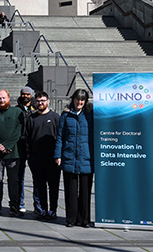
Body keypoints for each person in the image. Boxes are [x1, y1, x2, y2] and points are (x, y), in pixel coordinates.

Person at [54, 89, 94, 228]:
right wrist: (58, 155)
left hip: (86, 157)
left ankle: (84, 220)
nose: (80, 102)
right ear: (73, 99)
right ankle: (71, 219)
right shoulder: (66, 114)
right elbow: (60, 136)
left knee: (85, 191)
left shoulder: (90, 114)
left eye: (82, 100)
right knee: (70, 190)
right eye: (77, 99)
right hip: (69, 156)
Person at [0, 89, 24, 217]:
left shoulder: (17, 112)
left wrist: (8, 145)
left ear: (9, 98)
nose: (1, 100)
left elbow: (19, 130)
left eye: (3, 98)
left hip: (12, 154)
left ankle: (14, 205)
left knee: (13, 181)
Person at [25, 91, 60, 220]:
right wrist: (29, 156)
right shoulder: (31, 118)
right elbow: (27, 138)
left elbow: (60, 137)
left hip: (52, 158)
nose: (41, 103)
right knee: (40, 186)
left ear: (48, 101)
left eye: (43, 100)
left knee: (53, 186)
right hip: (36, 158)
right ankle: (43, 209)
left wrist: (58, 155)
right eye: (38, 101)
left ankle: (53, 210)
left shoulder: (56, 117)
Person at [16, 86, 35, 213]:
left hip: (33, 145)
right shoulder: (16, 110)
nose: (25, 96)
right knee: (19, 177)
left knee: (37, 177)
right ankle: (20, 203)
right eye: (23, 94)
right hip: (19, 145)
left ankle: (38, 205)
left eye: (28, 94)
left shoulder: (36, 109)